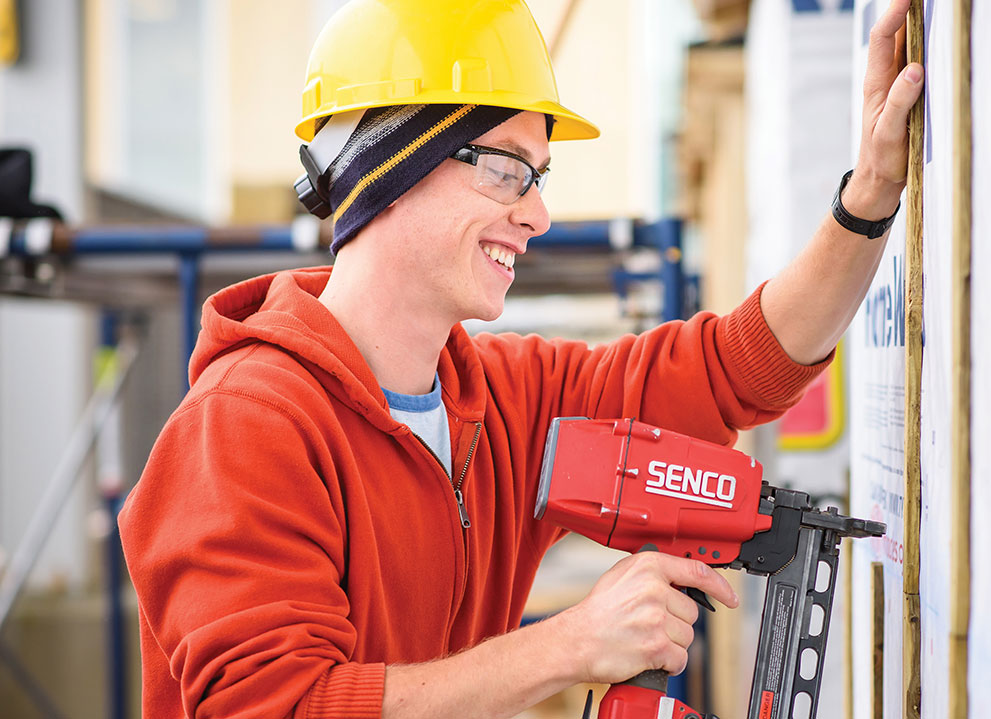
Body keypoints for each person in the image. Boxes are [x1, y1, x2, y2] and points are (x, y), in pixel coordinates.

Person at [118, 0, 923, 716]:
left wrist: (870, 200)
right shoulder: (244, 429)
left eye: (538, 176)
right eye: (506, 170)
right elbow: (279, 707)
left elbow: (732, 369)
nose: (538, 213)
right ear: (391, 169)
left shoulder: (505, 401)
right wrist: (569, 645)